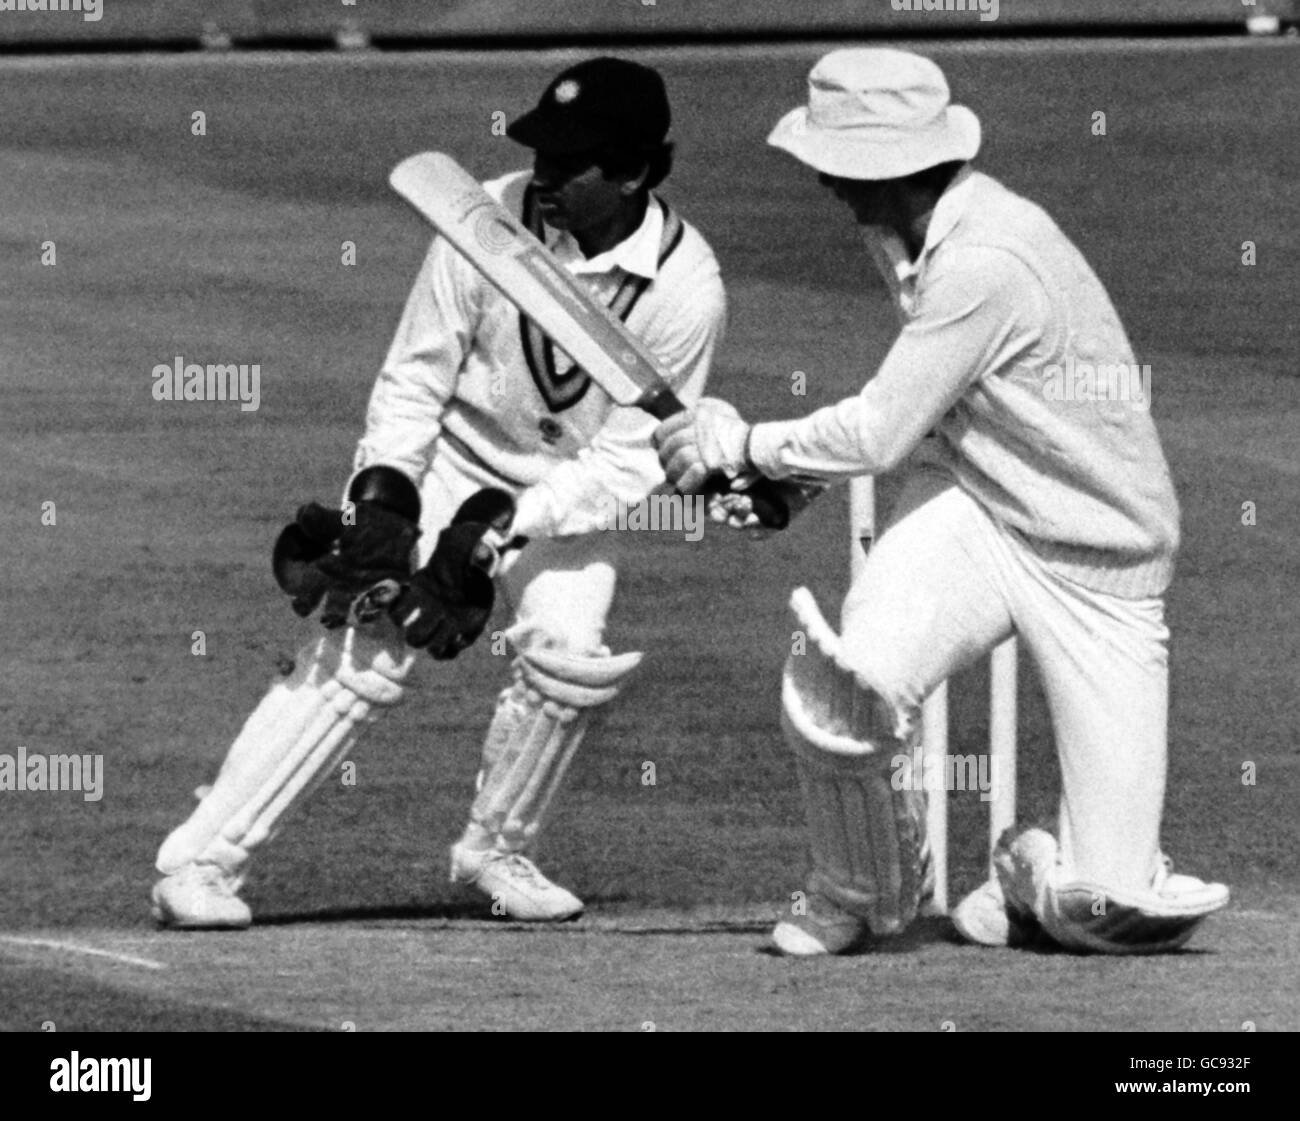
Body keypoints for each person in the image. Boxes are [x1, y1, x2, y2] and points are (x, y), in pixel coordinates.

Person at [654, 48, 1229, 956]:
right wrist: (796, 483)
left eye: (835, 160)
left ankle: (1030, 867)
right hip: (978, 502)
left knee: (1105, 912)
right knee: (846, 692)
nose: (821, 179)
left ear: (887, 163)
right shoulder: (899, 229)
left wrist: (742, 446)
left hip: (1101, 555)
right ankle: (851, 893)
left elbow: (881, 429)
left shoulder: (987, 258)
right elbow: (954, 402)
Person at [151, 57, 726, 927]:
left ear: (637, 172)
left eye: (572, 165)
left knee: (568, 658)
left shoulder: (688, 288)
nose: (546, 177)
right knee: (366, 645)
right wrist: (382, 498)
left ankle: (496, 850)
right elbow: (416, 377)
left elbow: (625, 463)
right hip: (454, 457)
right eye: (542, 153)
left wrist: (499, 528)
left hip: (563, 496)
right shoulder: (483, 219)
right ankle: (200, 863)